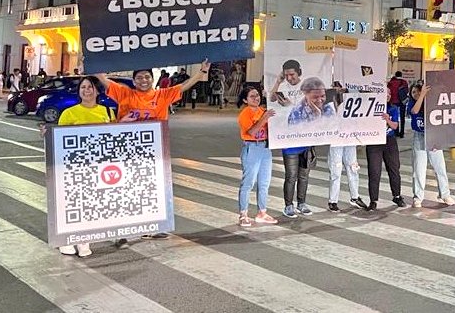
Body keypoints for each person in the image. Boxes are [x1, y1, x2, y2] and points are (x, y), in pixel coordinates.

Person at [94, 61, 210, 244]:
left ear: (153, 78)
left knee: (152, 190)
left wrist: (201, 72)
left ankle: (153, 227)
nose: (143, 80)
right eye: (139, 77)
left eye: (147, 76)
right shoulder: (124, 93)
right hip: (127, 151)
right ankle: (124, 228)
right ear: (133, 80)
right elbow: (103, 79)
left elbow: (183, 86)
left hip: (154, 152)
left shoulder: (162, 95)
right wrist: (94, 61)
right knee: (127, 190)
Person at [40, 76, 114, 258]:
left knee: (92, 206)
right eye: (83, 87)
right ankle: (66, 241)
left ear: (97, 91)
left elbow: (114, 137)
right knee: (71, 205)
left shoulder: (108, 113)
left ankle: (84, 241)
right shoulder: (69, 113)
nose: (86, 90)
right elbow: (58, 139)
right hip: (73, 166)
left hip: (98, 167)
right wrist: (47, 134)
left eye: (90, 87)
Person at [408, 83, 455, 208]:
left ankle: (444, 194)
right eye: (413, 92)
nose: (416, 94)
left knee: (440, 167)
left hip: (434, 137)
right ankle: (418, 197)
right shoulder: (412, 103)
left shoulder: (431, 103)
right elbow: (414, 111)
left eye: (418, 91)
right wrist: (422, 95)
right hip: (419, 137)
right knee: (419, 169)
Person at [237, 86, 278, 226]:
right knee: (248, 183)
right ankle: (243, 214)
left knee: (264, 183)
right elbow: (252, 132)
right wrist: (264, 118)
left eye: (257, 95)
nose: (256, 98)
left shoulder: (263, 111)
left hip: (265, 148)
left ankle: (262, 212)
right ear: (245, 100)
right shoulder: (245, 114)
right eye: (252, 96)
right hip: (251, 147)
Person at [326, 82, 368, 212]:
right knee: (335, 170)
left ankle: (355, 197)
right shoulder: (328, 100)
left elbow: (365, 96)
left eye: (341, 86)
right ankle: (333, 201)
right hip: (336, 140)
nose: (339, 89)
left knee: (353, 167)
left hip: (350, 138)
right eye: (336, 86)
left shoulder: (352, 97)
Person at [366, 88, 405, 210]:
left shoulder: (393, 108)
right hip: (374, 142)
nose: (387, 95)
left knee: (394, 169)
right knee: (374, 171)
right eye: (385, 93)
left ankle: (397, 195)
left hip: (390, 141)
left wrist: (387, 119)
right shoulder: (371, 107)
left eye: (389, 93)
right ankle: (373, 200)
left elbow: (395, 126)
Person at [281, 145, 315, 217]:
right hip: (290, 148)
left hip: (306, 147)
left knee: (304, 177)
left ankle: (301, 204)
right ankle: (288, 206)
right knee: (291, 177)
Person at [387, 72, 409, 138]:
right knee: (402, 117)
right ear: (401, 75)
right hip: (402, 101)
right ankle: (402, 133)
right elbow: (407, 91)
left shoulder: (391, 82)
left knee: (395, 117)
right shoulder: (404, 82)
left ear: (395, 75)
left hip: (393, 101)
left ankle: (396, 132)